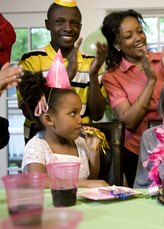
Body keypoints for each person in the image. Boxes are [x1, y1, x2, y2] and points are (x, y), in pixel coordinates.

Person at [101, 9, 164, 188]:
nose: (138, 38)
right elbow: (129, 121)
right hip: (136, 151)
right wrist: (151, 80)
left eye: (140, 31)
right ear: (117, 44)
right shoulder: (112, 77)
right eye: (128, 35)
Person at [18, 0, 107, 142]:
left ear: (80, 26)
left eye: (75, 23)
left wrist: (93, 75)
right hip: (42, 142)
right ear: (48, 24)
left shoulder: (91, 62)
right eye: (59, 22)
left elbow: (97, 115)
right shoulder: (32, 60)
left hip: (80, 143)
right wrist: (65, 76)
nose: (68, 28)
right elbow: (30, 112)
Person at [19, 70, 108, 188]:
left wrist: (93, 153)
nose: (80, 119)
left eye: (79, 113)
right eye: (72, 113)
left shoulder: (81, 144)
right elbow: (40, 181)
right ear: (49, 119)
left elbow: (91, 180)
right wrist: (87, 184)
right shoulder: (36, 147)